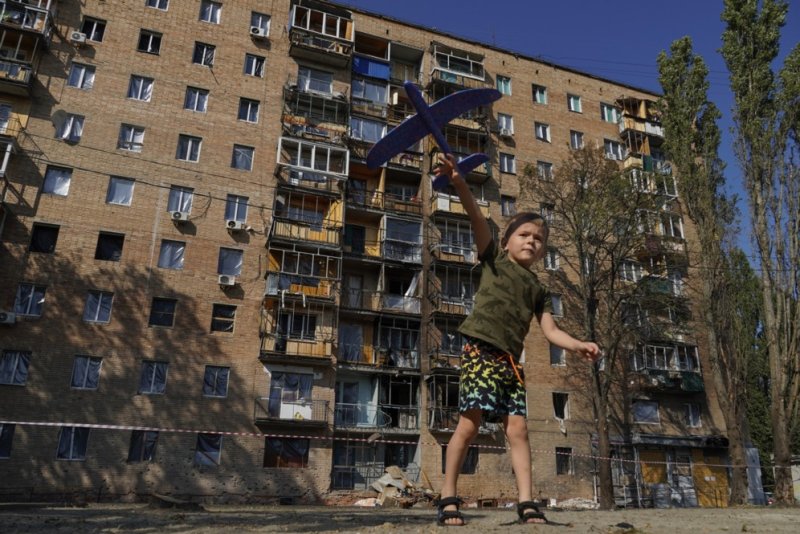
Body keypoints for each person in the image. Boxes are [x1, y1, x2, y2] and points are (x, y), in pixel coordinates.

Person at [433, 154, 601, 526]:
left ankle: (526, 503)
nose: (532, 241)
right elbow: (478, 218)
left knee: (519, 428)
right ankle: (447, 497)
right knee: (470, 424)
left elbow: (550, 331)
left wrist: (578, 345)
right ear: (506, 241)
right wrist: (460, 182)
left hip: (511, 362)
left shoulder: (538, 288)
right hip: (480, 351)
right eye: (524, 235)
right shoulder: (493, 258)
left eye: (539, 239)